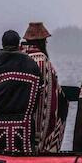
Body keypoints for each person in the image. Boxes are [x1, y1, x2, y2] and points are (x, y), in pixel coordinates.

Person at [0, 30, 41, 154]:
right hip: (24, 127)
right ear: (18, 44)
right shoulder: (31, 66)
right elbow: (37, 96)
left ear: (2, 44)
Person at [21, 22, 68, 153]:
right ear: (42, 41)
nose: (46, 44)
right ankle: (46, 149)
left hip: (21, 117)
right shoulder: (42, 60)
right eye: (45, 41)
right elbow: (51, 90)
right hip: (39, 118)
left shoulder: (20, 56)